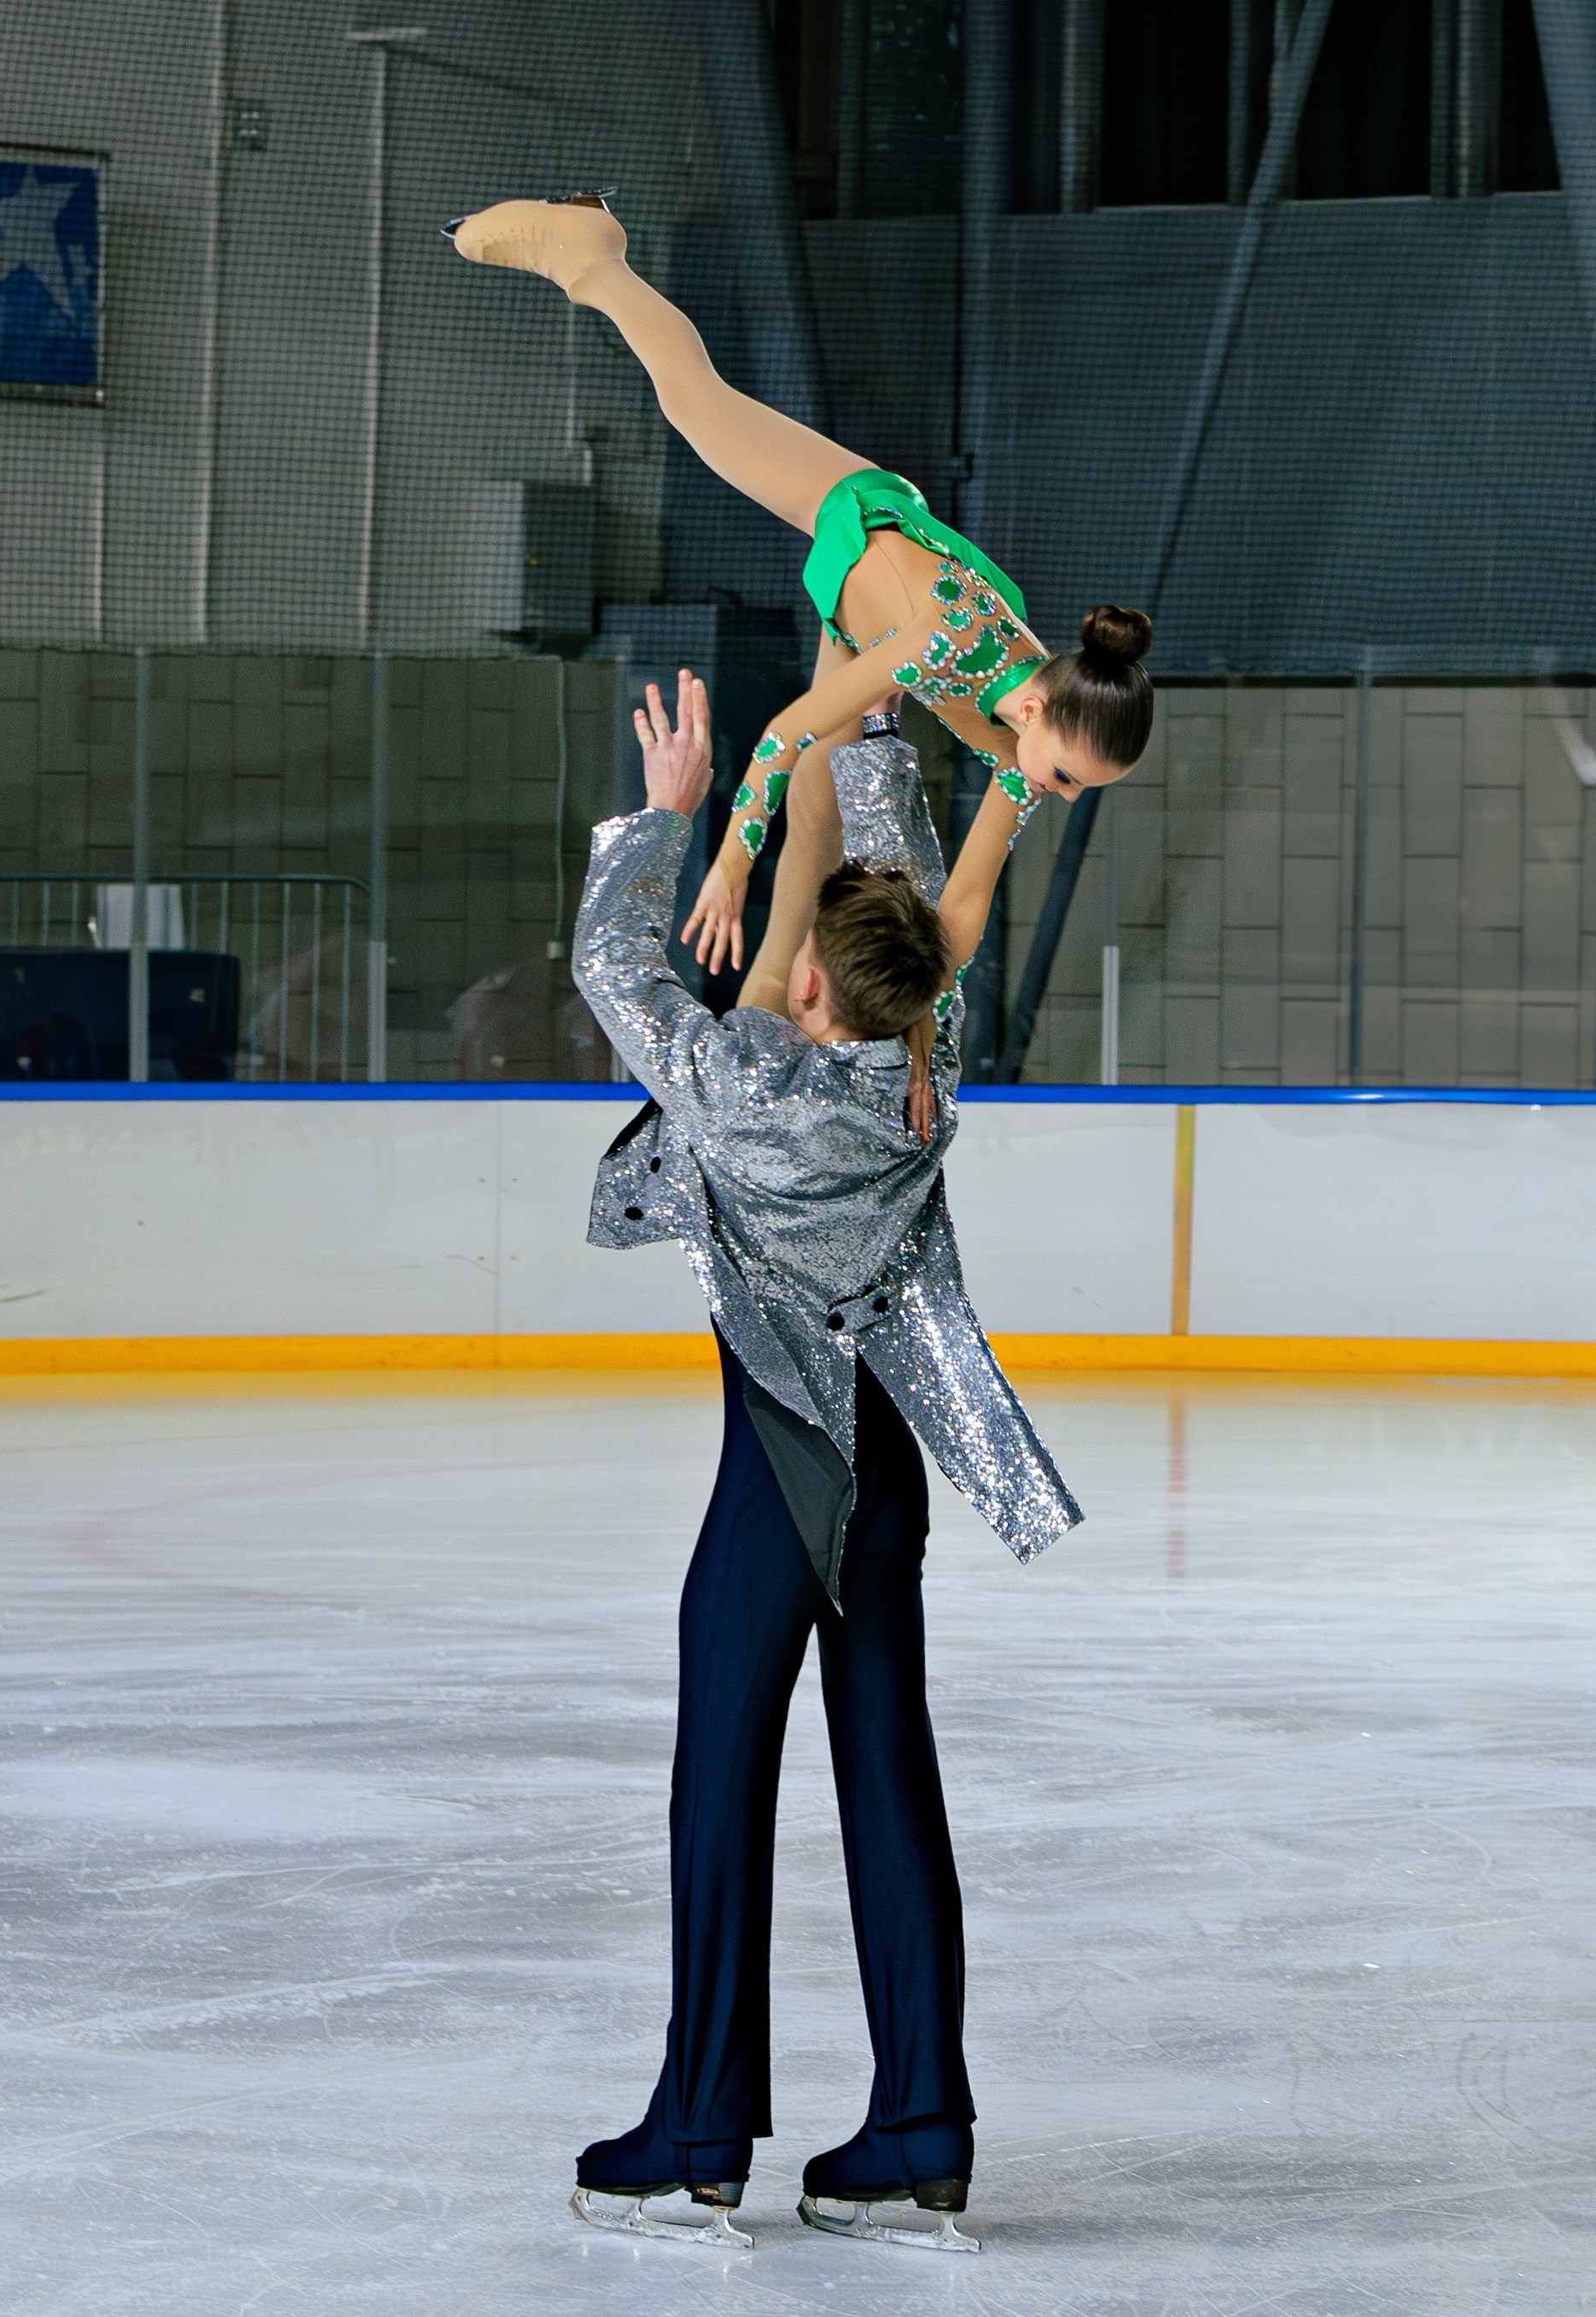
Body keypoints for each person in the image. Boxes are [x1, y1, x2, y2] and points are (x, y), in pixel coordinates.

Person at [564, 667, 1081, 2252]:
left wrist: (669, 814)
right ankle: (921, 2119)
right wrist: (861, 732)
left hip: (785, 1479)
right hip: (890, 1479)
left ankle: (699, 2124)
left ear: (811, 996)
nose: (781, 975)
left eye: (795, 970)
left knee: (715, 1775)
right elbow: (908, 905)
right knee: (887, 1775)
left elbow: (611, 963)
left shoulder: (754, 1090)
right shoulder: (929, 1051)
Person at [445, 193, 1155, 1016]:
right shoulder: (945, 639)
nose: (1061, 794)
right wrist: (731, 862)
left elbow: (960, 916)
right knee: (693, 403)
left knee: (817, 816)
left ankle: (762, 1007)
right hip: (853, 517)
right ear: (1034, 709)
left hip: (862, 621)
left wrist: (915, 1041)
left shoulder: (1025, 755)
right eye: (1069, 777)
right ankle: (592, 254)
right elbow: (789, 728)